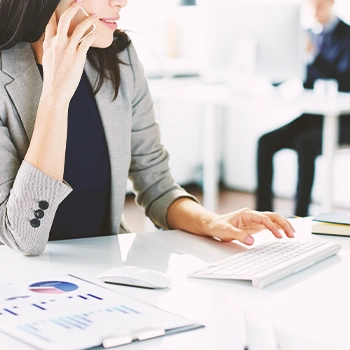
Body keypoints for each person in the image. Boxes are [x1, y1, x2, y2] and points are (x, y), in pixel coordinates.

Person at [0, 0, 294, 256]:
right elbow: (23, 238)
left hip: (105, 276)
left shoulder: (119, 57)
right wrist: (55, 97)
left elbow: (156, 185)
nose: (122, 2)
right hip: (23, 288)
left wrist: (211, 222)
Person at [256, 0, 350, 217]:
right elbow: (280, 78)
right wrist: (275, 58)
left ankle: (300, 216)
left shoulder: (346, 35)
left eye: (319, 4)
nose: (315, 10)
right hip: (312, 116)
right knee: (266, 141)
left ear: (332, 3)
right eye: (311, 5)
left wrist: (313, 54)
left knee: (305, 143)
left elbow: (344, 81)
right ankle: (262, 213)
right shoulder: (306, 35)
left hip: (343, 120)